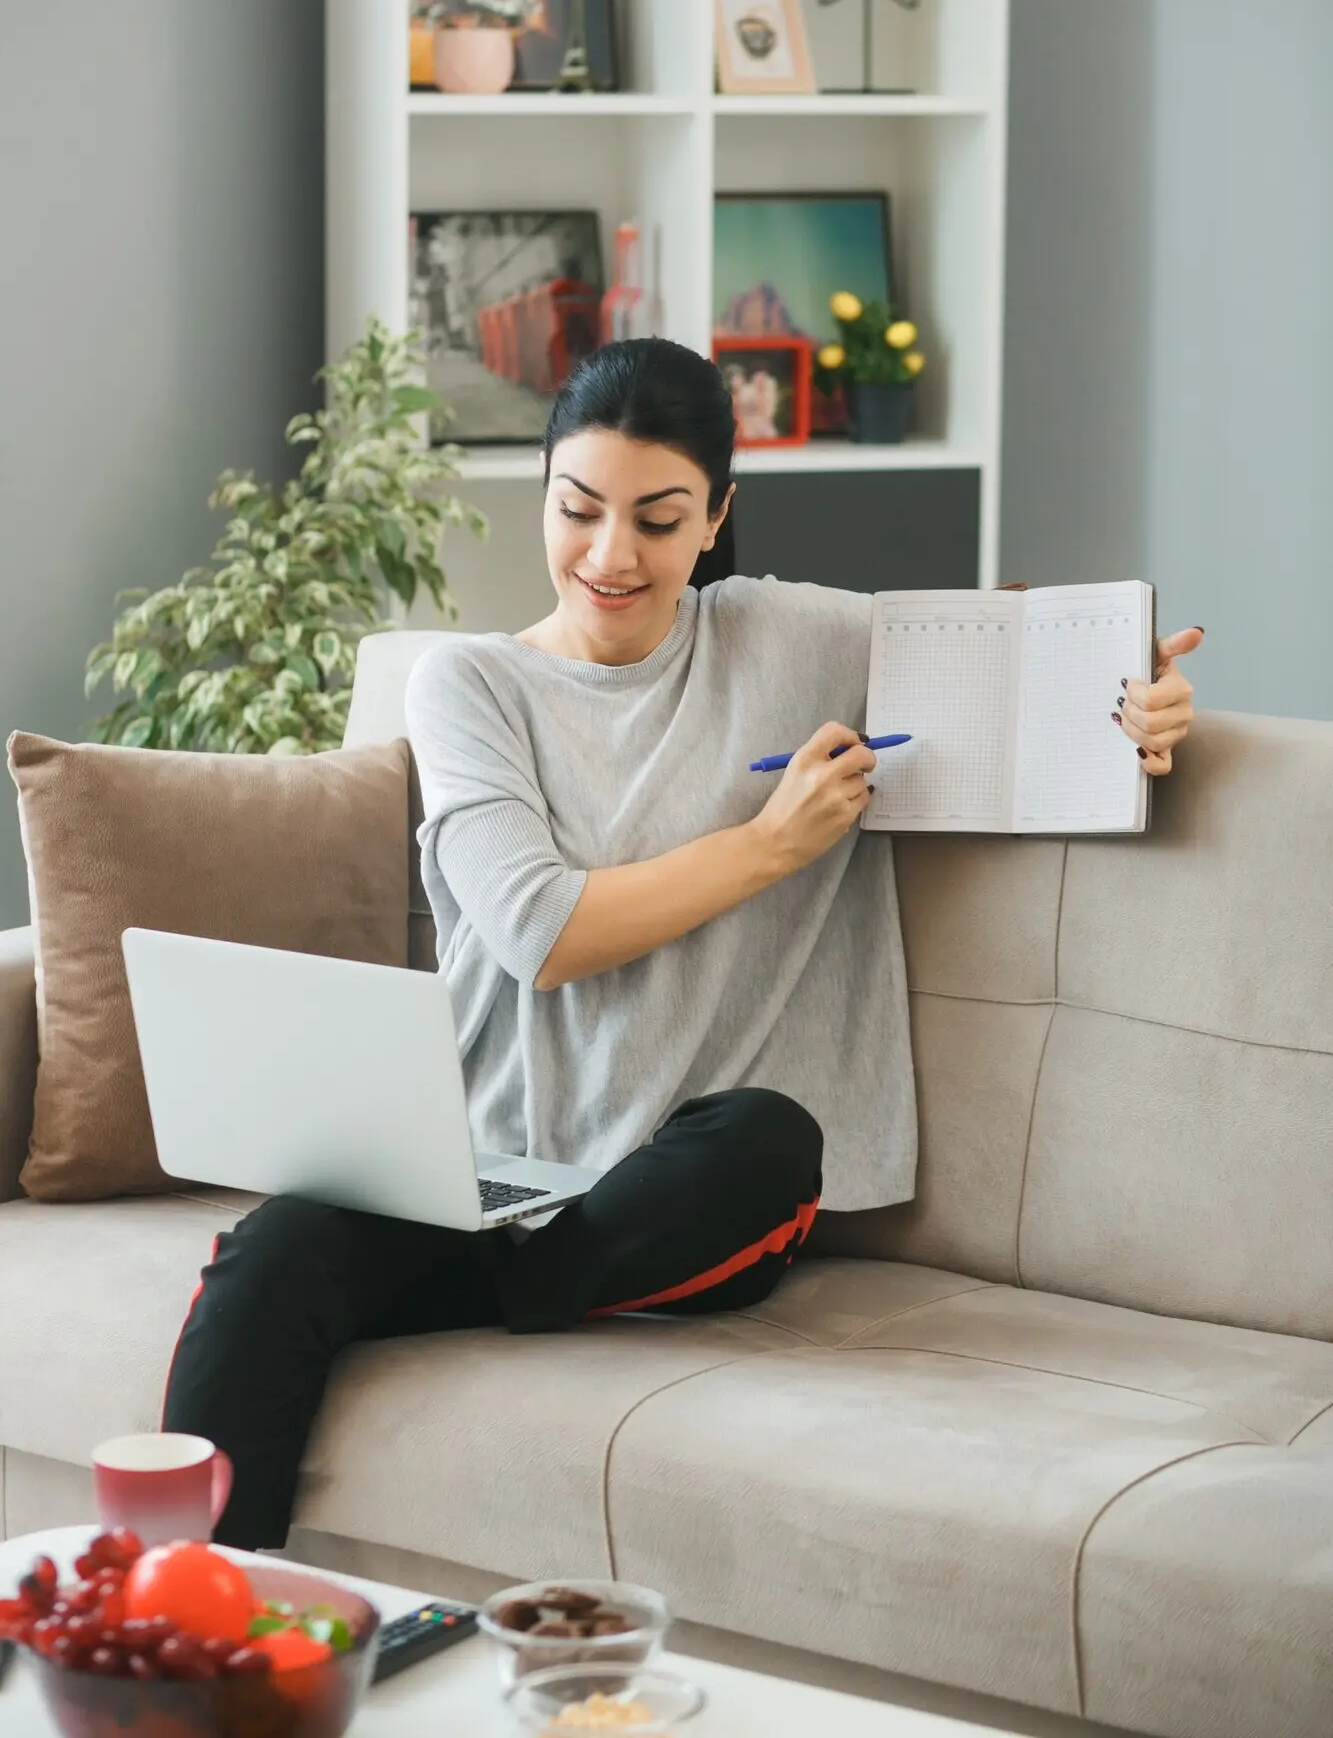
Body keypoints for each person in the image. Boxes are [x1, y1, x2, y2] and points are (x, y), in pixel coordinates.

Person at [163, 339, 1201, 1549]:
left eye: (657, 520)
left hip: (690, 1196)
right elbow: (541, 932)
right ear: (543, 490)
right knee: (273, 1249)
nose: (610, 555)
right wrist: (770, 843)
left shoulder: (786, 637)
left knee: (768, 1138)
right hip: (486, 1170)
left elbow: (1014, 646)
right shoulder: (469, 689)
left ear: (715, 518)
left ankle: (494, 1287)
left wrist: (1132, 696)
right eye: (578, 509)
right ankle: (189, 1617)